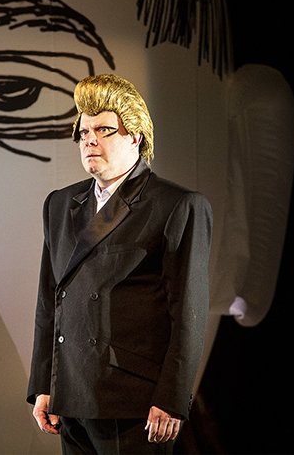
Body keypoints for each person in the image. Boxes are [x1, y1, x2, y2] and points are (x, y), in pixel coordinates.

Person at [26, 73, 213, 454]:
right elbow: (50, 301)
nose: (90, 140)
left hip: (134, 401)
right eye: (84, 131)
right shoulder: (60, 204)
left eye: (104, 130)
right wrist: (45, 384)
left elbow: (188, 313)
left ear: (135, 137)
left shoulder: (176, 205)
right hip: (71, 395)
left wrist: (173, 398)